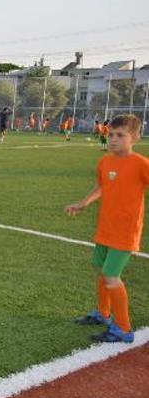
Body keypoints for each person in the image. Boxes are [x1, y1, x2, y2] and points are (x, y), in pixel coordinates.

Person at [65, 115, 147, 343]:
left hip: (125, 231)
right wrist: (82, 203)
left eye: (120, 135)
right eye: (111, 135)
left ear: (135, 138)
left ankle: (123, 328)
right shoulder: (105, 162)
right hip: (105, 228)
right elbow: (100, 186)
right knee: (102, 270)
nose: (113, 139)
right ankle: (103, 313)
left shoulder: (141, 163)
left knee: (111, 276)